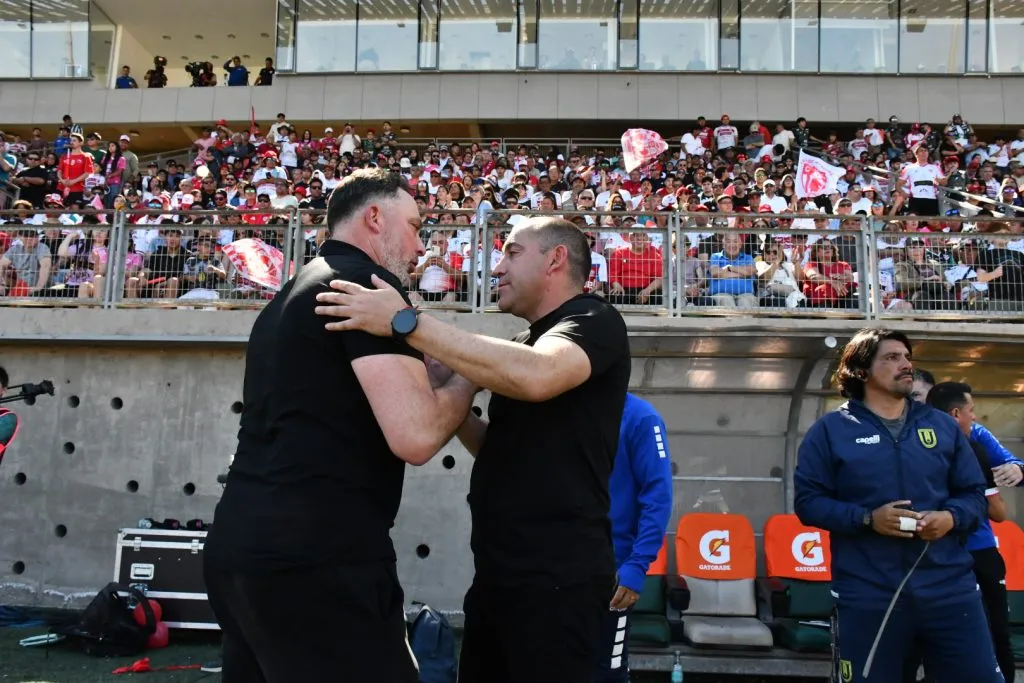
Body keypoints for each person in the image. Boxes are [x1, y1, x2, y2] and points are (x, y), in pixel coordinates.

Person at [314, 216, 632, 683]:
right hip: (497, 579)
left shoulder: (594, 320)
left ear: (556, 259)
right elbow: (499, 450)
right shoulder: (523, 341)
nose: (497, 267)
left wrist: (406, 323)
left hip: (559, 584)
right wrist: (451, 393)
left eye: (512, 252)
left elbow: (538, 375)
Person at [202, 169, 478, 683]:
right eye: (415, 226)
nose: (421, 246)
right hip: (318, 562)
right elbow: (416, 437)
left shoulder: (292, 292)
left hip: (238, 549)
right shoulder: (368, 290)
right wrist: (469, 377)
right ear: (374, 218)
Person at [793, 327, 1001, 683]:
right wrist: (866, 518)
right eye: (891, 358)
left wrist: (950, 517)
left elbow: (973, 493)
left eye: (907, 357)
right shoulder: (830, 431)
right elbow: (808, 503)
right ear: (861, 371)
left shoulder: (941, 426)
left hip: (949, 590)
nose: (905, 364)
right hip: (869, 593)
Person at [924, 382, 1014, 683]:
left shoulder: (914, 447)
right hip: (970, 552)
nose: (974, 417)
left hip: (937, 554)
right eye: (971, 410)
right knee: (993, 632)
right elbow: (999, 513)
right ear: (955, 413)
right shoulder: (971, 448)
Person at [594, 392, 673, 682]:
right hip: (559, 570)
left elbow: (658, 497)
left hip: (611, 575)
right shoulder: (564, 413)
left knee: (608, 671)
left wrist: (637, 564)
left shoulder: (641, 418)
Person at [912, 369, 1024, 489]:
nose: (908, 401)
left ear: (932, 395)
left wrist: (1018, 469)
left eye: (915, 395)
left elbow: (1010, 462)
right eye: (903, 396)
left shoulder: (975, 431)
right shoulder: (903, 433)